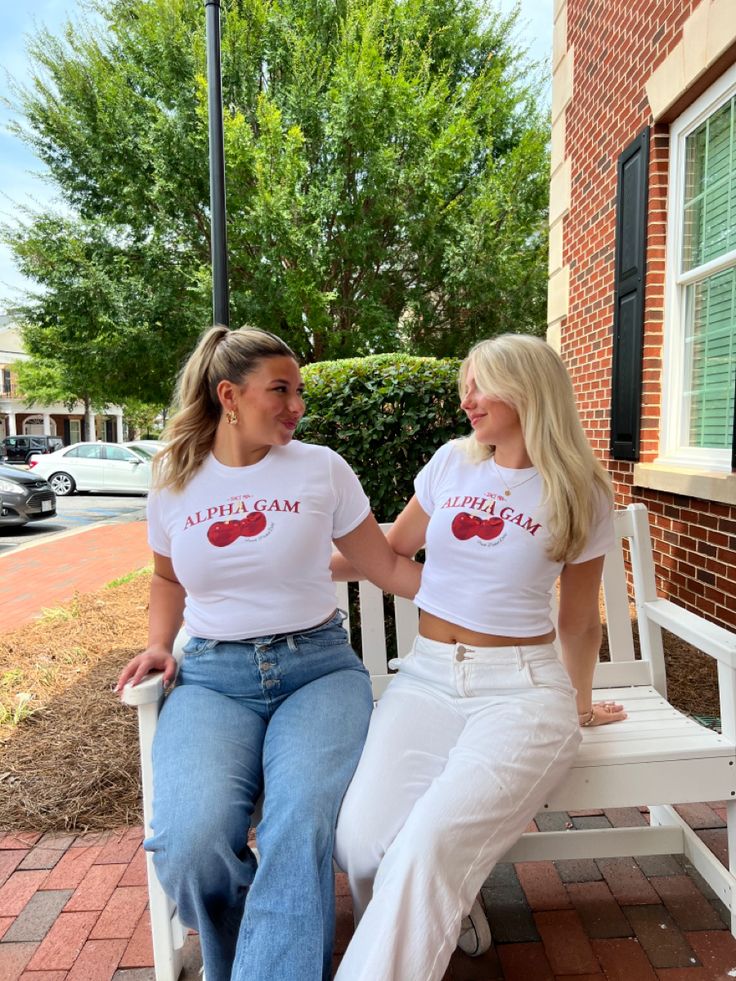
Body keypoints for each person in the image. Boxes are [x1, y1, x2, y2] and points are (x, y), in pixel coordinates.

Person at [115, 325, 420, 981]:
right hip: (213, 678)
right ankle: (259, 947)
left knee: (301, 821)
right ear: (229, 394)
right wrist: (156, 645)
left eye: (299, 391)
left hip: (317, 672)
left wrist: (489, 592)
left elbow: (388, 568)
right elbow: (168, 578)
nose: (297, 406)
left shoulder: (321, 469)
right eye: (280, 389)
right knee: (191, 846)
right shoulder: (174, 480)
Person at [331, 333, 626, 981]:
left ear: (528, 391)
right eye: (466, 383)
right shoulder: (453, 463)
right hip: (429, 677)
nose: (467, 397)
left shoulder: (578, 489)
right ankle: (449, 900)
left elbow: (578, 620)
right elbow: (392, 549)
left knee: (427, 845)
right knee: (359, 843)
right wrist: (285, 564)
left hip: (522, 693)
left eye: (481, 384)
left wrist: (579, 704)